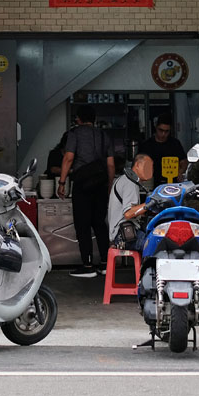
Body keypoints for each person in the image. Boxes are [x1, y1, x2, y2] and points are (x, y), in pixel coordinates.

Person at [58, 105, 115, 277]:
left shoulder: (74, 134)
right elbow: (111, 164)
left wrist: (62, 182)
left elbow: (69, 158)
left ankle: (88, 266)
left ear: (79, 119)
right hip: (101, 184)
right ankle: (106, 264)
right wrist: (109, 186)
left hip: (82, 184)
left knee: (83, 224)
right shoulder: (104, 136)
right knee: (99, 223)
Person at [108, 153, 154, 251]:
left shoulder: (126, 180)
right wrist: (151, 204)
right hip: (123, 235)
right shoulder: (130, 183)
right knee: (156, 244)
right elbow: (128, 213)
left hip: (122, 233)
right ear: (137, 165)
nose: (151, 170)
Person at [137, 113, 187, 187]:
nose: (163, 134)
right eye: (161, 130)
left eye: (167, 131)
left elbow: (184, 161)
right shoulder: (147, 145)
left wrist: (180, 172)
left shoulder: (175, 143)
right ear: (156, 128)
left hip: (172, 184)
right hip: (152, 184)